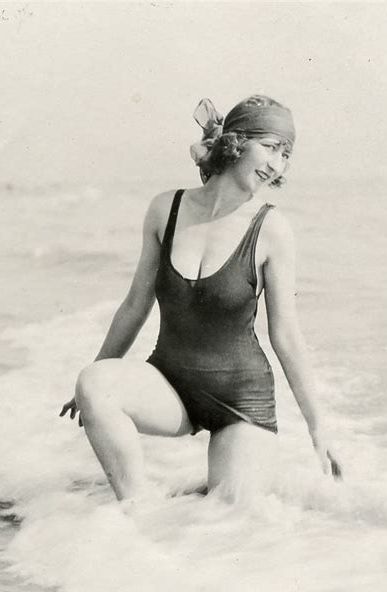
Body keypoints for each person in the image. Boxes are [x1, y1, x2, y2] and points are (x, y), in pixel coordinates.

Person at [60, 95, 342, 501]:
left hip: (240, 403)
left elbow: (286, 335)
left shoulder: (272, 229)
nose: (277, 164)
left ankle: (196, 495)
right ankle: (137, 512)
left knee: (230, 518)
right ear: (236, 142)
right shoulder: (166, 209)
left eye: (286, 154)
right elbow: (135, 304)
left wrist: (318, 427)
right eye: (270, 147)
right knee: (94, 381)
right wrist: (91, 389)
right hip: (170, 385)